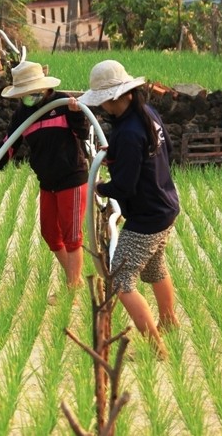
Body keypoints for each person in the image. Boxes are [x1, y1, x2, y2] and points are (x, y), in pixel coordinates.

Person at [78, 59, 180, 357]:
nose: (101, 108)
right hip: (166, 205)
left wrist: (99, 187)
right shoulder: (147, 114)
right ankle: (169, 321)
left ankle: (157, 348)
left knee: (121, 280)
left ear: (113, 98)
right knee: (155, 266)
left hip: (147, 216)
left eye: (102, 102)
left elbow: (123, 187)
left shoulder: (128, 133)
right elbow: (168, 151)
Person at [0, 60, 89, 305]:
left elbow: (82, 134)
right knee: (50, 233)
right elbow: (10, 143)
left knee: (72, 237)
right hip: (47, 180)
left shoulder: (63, 104)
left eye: (31, 93)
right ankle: (75, 279)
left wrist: (76, 114)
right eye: (24, 95)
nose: (28, 98)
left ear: (43, 88)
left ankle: (72, 288)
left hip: (71, 178)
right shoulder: (22, 113)